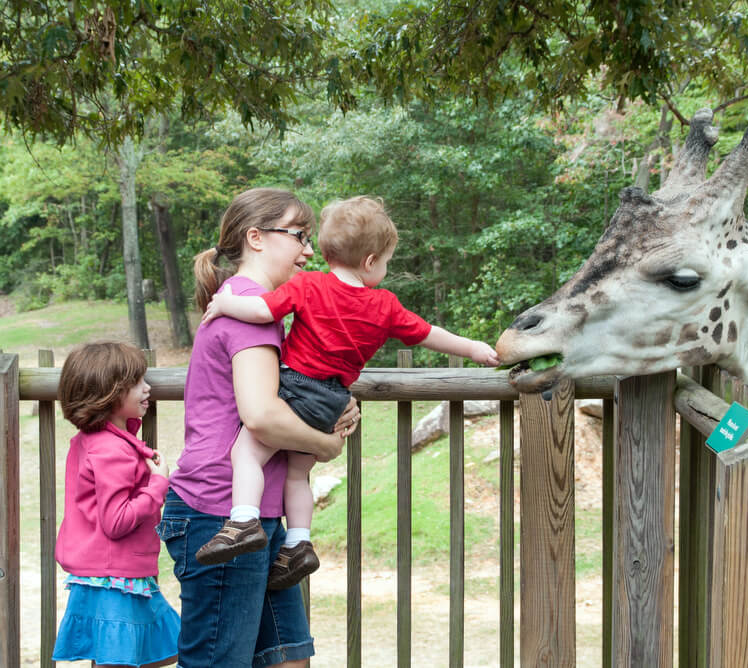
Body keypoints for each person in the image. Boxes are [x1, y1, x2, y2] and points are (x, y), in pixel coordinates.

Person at [196, 195, 499, 586]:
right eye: (387, 262)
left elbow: (259, 312)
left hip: (296, 387)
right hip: (332, 399)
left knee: (246, 452)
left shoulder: (309, 285)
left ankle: (242, 521)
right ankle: (300, 542)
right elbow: (428, 334)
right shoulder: (386, 306)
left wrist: (225, 303)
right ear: (371, 261)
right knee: (298, 474)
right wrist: (474, 347)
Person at [161, 188, 360, 667]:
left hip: (257, 518)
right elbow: (261, 415)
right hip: (218, 512)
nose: (309, 251)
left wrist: (336, 403)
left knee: (288, 658)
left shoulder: (260, 307)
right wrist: (327, 444)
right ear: (256, 238)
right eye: (299, 236)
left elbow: (292, 387)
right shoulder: (248, 307)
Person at [51, 341, 180, 668]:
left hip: (111, 575)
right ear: (109, 393)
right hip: (115, 578)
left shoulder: (93, 441)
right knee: (129, 660)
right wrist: (158, 484)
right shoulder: (113, 450)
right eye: (137, 383)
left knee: (159, 651)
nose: (148, 388)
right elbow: (116, 519)